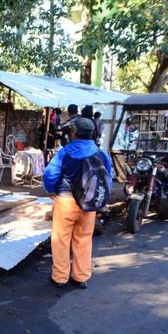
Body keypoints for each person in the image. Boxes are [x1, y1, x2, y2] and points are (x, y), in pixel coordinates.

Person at [43, 117, 113, 289]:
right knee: (83, 240)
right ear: (92, 133)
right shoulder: (101, 153)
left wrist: (51, 190)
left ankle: (60, 278)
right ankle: (81, 277)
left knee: (61, 240)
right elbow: (108, 178)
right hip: (89, 203)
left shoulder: (65, 153)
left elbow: (50, 176)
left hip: (66, 201)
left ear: (74, 133)